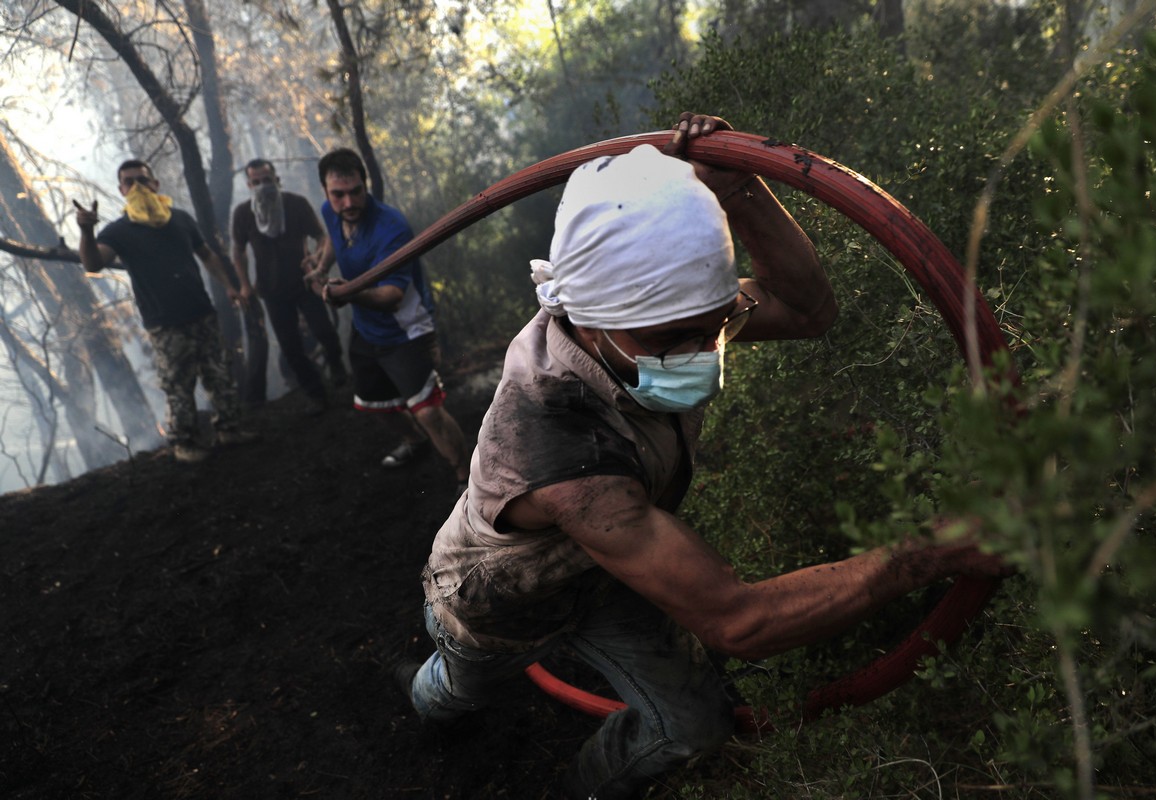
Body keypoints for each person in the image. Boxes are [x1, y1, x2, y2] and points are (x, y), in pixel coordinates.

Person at [403, 113, 1012, 799]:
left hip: (604, 581)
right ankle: (428, 699)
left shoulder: (653, 319)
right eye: (672, 338)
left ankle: (585, 786)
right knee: (457, 684)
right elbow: (736, 621)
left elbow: (808, 311)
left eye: (714, 325)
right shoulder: (558, 444)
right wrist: (933, 552)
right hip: (494, 607)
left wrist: (741, 190)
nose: (702, 355)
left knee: (695, 725)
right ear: (594, 321)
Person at [305, 148, 471, 489]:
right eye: (338, 194)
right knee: (375, 405)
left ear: (365, 187)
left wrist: (345, 293)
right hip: (366, 329)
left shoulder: (391, 227)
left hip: (406, 330)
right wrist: (321, 268)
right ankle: (415, 442)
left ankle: (468, 480)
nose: (348, 202)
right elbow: (336, 240)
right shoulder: (330, 211)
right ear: (325, 192)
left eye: (355, 192)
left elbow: (392, 296)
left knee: (427, 411)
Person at [74, 159, 257, 463]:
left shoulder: (181, 219)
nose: (137, 187)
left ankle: (229, 429)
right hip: (165, 324)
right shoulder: (119, 231)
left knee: (219, 374)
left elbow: (207, 256)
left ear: (155, 185)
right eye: (129, 182)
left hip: (201, 312)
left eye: (142, 180)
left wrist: (229, 286)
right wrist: (86, 231)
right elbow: (93, 264)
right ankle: (183, 444)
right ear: (122, 190)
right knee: (178, 386)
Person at [230, 158, 347, 415]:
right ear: (249, 185)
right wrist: (245, 286)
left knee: (324, 330)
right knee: (290, 346)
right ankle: (316, 395)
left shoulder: (295, 204)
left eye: (267, 180)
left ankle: (336, 364)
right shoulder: (243, 214)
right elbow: (238, 251)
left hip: (304, 281)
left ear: (277, 180)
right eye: (257, 182)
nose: (263, 186)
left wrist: (317, 260)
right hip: (271, 291)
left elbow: (321, 236)